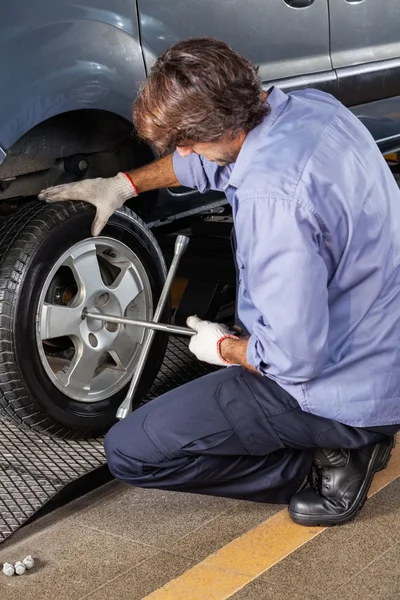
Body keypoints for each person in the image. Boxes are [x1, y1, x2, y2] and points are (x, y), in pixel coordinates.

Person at [39, 38, 400, 526]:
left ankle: (333, 451)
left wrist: (224, 347)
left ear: (219, 129)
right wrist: (123, 185)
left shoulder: (274, 204)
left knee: (130, 452)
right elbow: (200, 161)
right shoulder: (308, 108)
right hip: (381, 336)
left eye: (184, 141)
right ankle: (348, 433)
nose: (182, 153)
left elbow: (295, 359)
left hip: (341, 380)